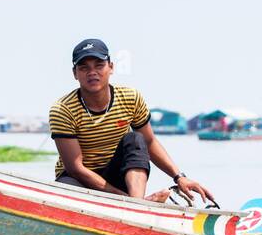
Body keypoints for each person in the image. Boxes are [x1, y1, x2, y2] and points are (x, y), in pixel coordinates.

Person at [49, 38, 217, 206]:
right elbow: (75, 168)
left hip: (116, 176)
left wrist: (179, 177)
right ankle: (139, 204)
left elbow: (150, 142)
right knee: (65, 191)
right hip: (78, 180)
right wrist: (125, 199)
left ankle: (137, 206)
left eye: (99, 65)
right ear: (75, 73)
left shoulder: (130, 98)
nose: (92, 72)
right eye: (84, 67)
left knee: (135, 138)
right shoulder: (63, 109)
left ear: (111, 67)